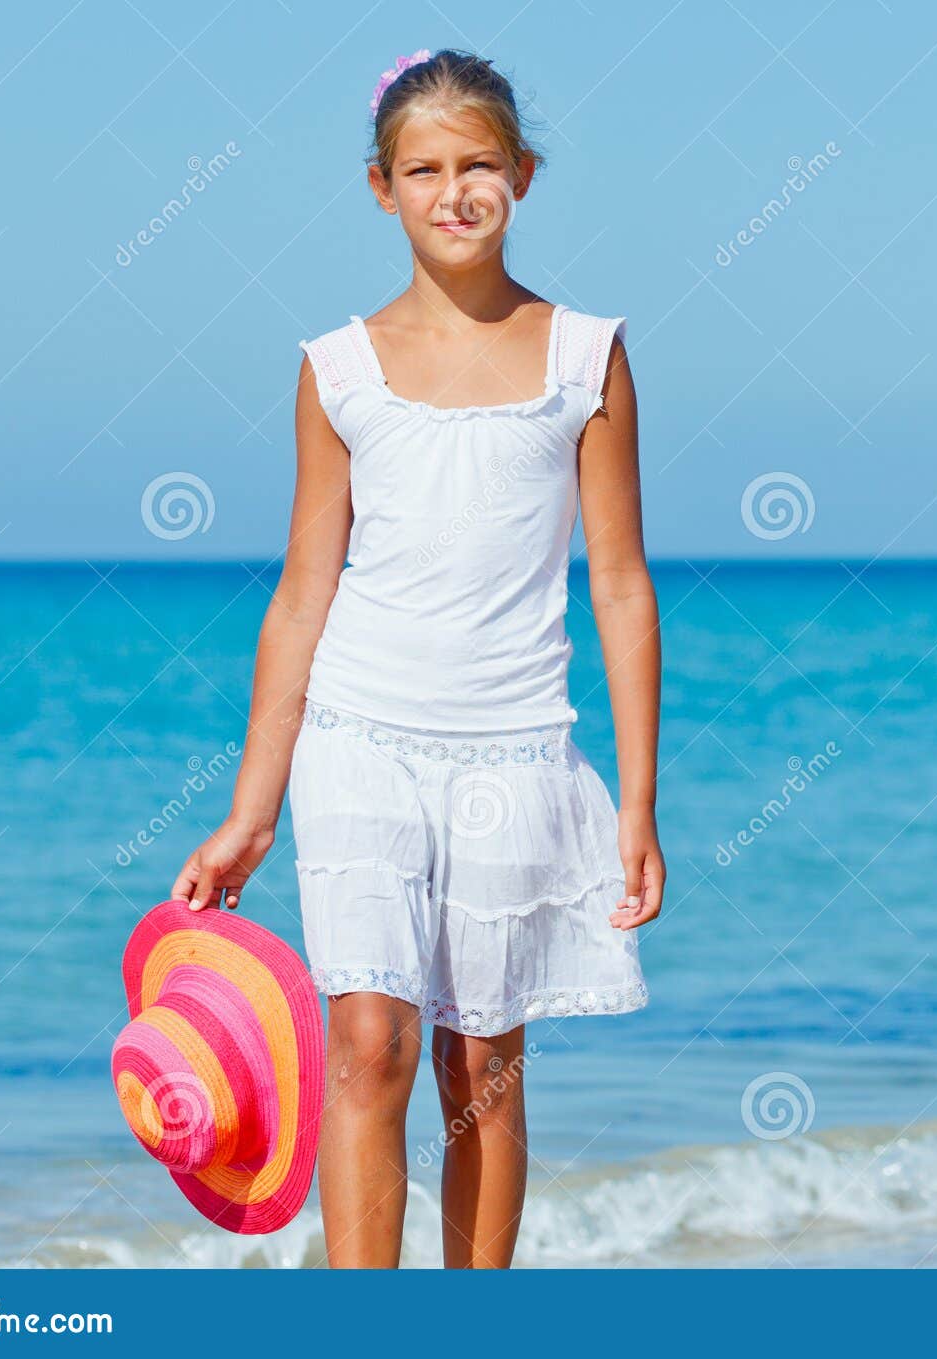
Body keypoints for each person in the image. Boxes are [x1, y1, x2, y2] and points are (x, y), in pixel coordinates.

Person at [171, 47, 663, 1269]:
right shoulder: (337, 369)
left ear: (524, 177)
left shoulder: (584, 356)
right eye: (425, 168)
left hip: (513, 747)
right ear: (380, 188)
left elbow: (618, 582)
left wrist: (638, 806)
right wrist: (250, 811)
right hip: (360, 744)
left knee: (480, 1064)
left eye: (479, 164)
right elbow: (300, 593)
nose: (455, 190)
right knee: (369, 1044)